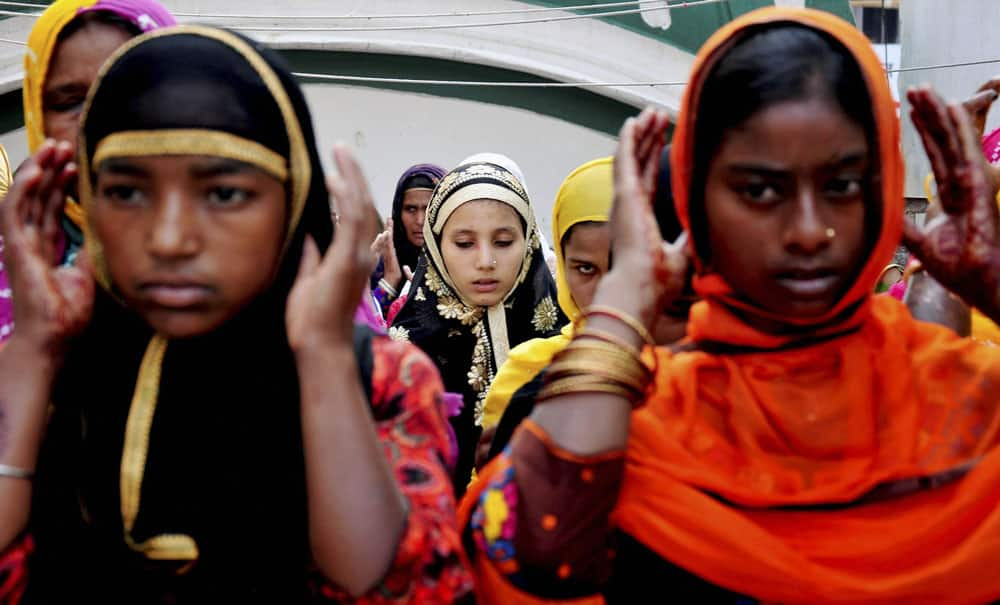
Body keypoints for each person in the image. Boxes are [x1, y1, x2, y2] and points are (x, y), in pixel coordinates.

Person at [462, 7, 1000, 604]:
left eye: (842, 185)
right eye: (760, 190)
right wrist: (621, 302)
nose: (807, 230)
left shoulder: (965, 396)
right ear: (697, 200)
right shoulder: (635, 422)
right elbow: (521, 559)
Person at [0, 26, 471, 603]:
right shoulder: (45, 367)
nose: (170, 240)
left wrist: (322, 362)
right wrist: (34, 348)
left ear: (293, 203)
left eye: (223, 194)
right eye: (127, 192)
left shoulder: (381, 377)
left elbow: (396, 588)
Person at [477, 154, 692, 463]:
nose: (607, 289)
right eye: (586, 269)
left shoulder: (697, 370)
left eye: (622, 267)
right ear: (562, 267)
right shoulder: (529, 372)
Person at [0, 0, 176, 345]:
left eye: (128, 93)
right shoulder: (14, 258)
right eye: (70, 103)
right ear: (38, 118)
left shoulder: (236, 246)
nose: (98, 119)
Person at [390, 155, 565, 495]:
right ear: (437, 246)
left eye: (503, 242)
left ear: (528, 241)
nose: (486, 262)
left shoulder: (566, 344)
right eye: (464, 243)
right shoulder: (402, 354)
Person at [370, 164, 446, 314]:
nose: (419, 220)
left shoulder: (460, 264)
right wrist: (390, 281)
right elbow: (361, 323)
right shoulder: (378, 266)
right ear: (398, 212)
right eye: (411, 209)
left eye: (429, 208)